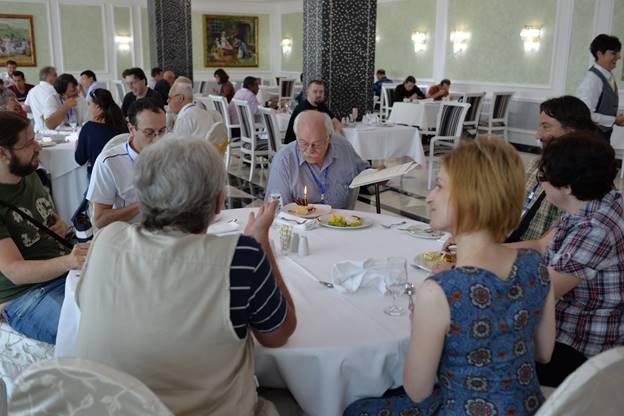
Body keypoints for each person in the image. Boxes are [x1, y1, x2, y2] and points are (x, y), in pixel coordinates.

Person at [76, 136, 296, 415]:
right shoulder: (241, 257)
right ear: (218, 202)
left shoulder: (107, 240)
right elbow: (279, 336)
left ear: (142, 195)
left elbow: (86, 303)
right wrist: (260, 241)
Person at [345, 137, 556, 416]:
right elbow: (544, 353)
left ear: (470, 198)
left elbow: (417, 391)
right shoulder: (535, 265)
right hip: (528, 408)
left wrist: (419, 320)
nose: (429, 196)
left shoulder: (440, 291)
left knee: (355, 409)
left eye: (440, 186)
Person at [511, 133, 624, 387]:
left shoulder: (594, 228)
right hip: (568, 325)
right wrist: (484, 250)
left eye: (543, 178)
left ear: (567, 187)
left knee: (484, 353)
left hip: (580, 345)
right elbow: (541, 245)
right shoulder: (599, 201)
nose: (540, 184)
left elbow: (542, 291)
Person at [0, 111, 90, 344]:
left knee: (126, 307)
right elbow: (14, 272)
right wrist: (68, 261)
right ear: (2, 153)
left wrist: (58, 224)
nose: (38, 146)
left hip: (63, 273)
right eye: (29, 142)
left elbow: (45, 215)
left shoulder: (28, 173)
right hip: (24, 296)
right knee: (92, 335)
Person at [506, 96, 599, 242]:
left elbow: (548, 245)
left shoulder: (585, 179)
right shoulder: (538, 163)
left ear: (570, 132)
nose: (538, 135)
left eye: (546, 126)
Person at [87, 99, 166, 229]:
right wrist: (142, 204)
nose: (158, 139)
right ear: (132, 129)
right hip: (129, 235)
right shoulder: (109, 162)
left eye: (162, 131)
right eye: (149, 133)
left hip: (168, 231)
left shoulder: (172, 153)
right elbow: (100, 220)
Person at [265, 111, 369, 209]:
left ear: (329, 138)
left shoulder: (343, 148)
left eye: (317, 144)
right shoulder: (284, 161)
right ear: (297, 137)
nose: (310, 150)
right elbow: (276, 211)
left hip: (341, 224)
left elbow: (365, 173)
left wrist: (379, 175)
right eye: (303, 143)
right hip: (300, 225)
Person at [576, 34, 624, 142]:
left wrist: (615, 117)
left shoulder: (607, 75)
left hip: (601, 136)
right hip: (592, 137)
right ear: (600, 54)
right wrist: (614, 120)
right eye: (613, 53)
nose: (619, 56)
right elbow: (585, 114)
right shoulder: (593, 79)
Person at [75, 89, 127, 177]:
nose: (88, 107)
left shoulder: (89, 128)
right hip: (123, 174)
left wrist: (77, 146)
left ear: (98, 107)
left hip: (98, 177)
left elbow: (80, 160)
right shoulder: (123, 125)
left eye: (89, 104)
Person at [168, 76, 225, 150]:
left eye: (169, 98)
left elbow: (177, 149)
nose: (167, 101)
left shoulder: (185, 117)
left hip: (195, 158)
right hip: (210, 155)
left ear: (180, 98)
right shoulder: (202, 112)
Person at [284, 80, 342, 144]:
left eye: (321, 92)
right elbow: (310, 133)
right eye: (315, 91)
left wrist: (336, 136)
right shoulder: (303, 109)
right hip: (296, 146)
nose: (318, 95)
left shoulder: (321, 106)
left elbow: (336, 122)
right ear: (308, 92)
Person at [24, 66, 58, 132]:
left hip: (38, 129)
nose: (57, 78)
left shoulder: (32, 90)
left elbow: (26, 108)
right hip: (55, 130)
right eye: (55, 75)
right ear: (48, 76)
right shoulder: (54, 90)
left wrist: (37, 109)